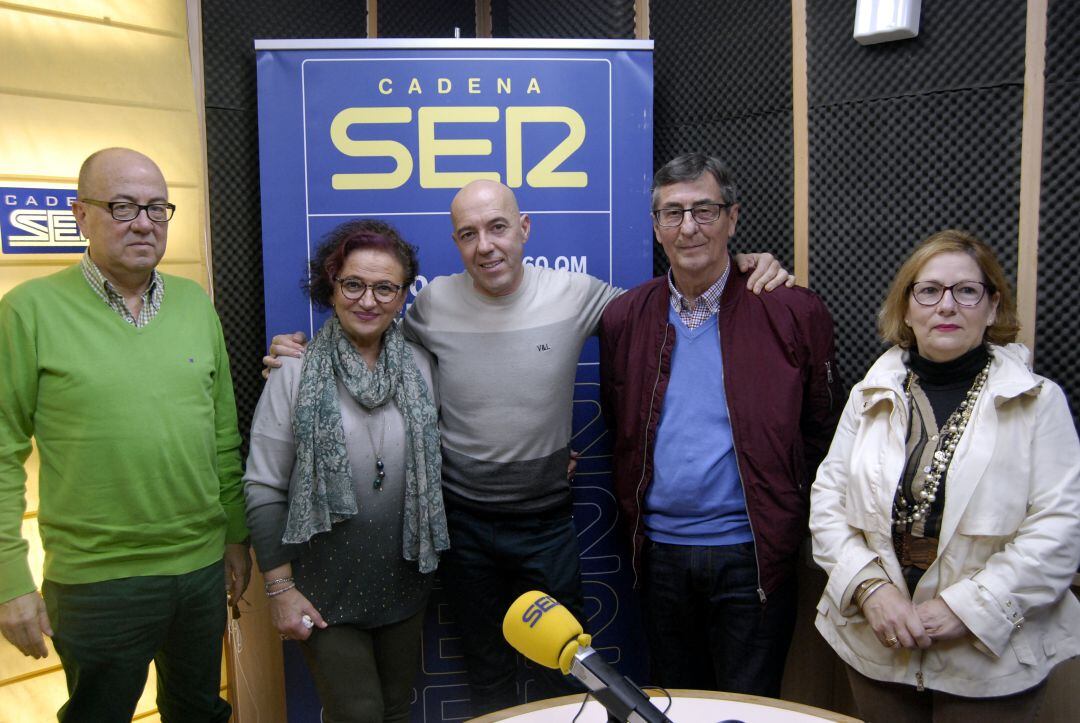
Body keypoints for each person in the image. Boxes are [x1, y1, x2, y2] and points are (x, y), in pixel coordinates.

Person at [265, 179, 791, 715]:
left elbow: (667, 308)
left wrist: (737, 266)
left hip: (546, 527)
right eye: (468, 234)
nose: (485, 245)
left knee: (561, 678)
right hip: (463, 528)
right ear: (456, 242)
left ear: (524, 229)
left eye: (497, 228)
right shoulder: (431, 305)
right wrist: (299, 351)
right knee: (485, 674)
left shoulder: (577, 293)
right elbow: (373, 347)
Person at [0, 147, 251, 721]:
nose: (143, 222)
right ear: (80, 215)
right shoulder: (27, 311)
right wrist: (8, 578)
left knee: (199, 711)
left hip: (199, 571)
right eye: (122, 206)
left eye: (157, 209)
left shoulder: (194, 304)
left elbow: (221, 436)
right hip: (96, 582)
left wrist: (234, 535)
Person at [810, 229, 1080, 721]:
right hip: (879, 643)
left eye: (967, 291)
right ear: (907, 309)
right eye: (929, 291)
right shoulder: (867, 397)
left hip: (988, 658)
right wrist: (870, 589)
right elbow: (827, 502)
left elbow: (1059, 530)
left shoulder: (1040, 403)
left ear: (993, 306)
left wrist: (966, 609)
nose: (947, 306)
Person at [599, 153, 843, 697]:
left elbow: (820, 429)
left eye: (704, 211)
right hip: (659, 556)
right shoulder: (624, 318)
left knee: (747, 707)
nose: (689, 227)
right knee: (676, 704)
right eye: (672, 213)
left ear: (733, 218)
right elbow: (621, 428)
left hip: (753, 557)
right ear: (656, 227)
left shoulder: (793, 311)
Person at [244, 219, 447, 722]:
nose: (368, 300)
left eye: (385, 287)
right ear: (329, 287)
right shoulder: (292, 374)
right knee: (357, 714)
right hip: (322, 590)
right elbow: (264, 487)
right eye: (353, 283)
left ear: (403, 295)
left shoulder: (422, 367)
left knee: (397, 711)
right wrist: (280, 589)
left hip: (405, 580)